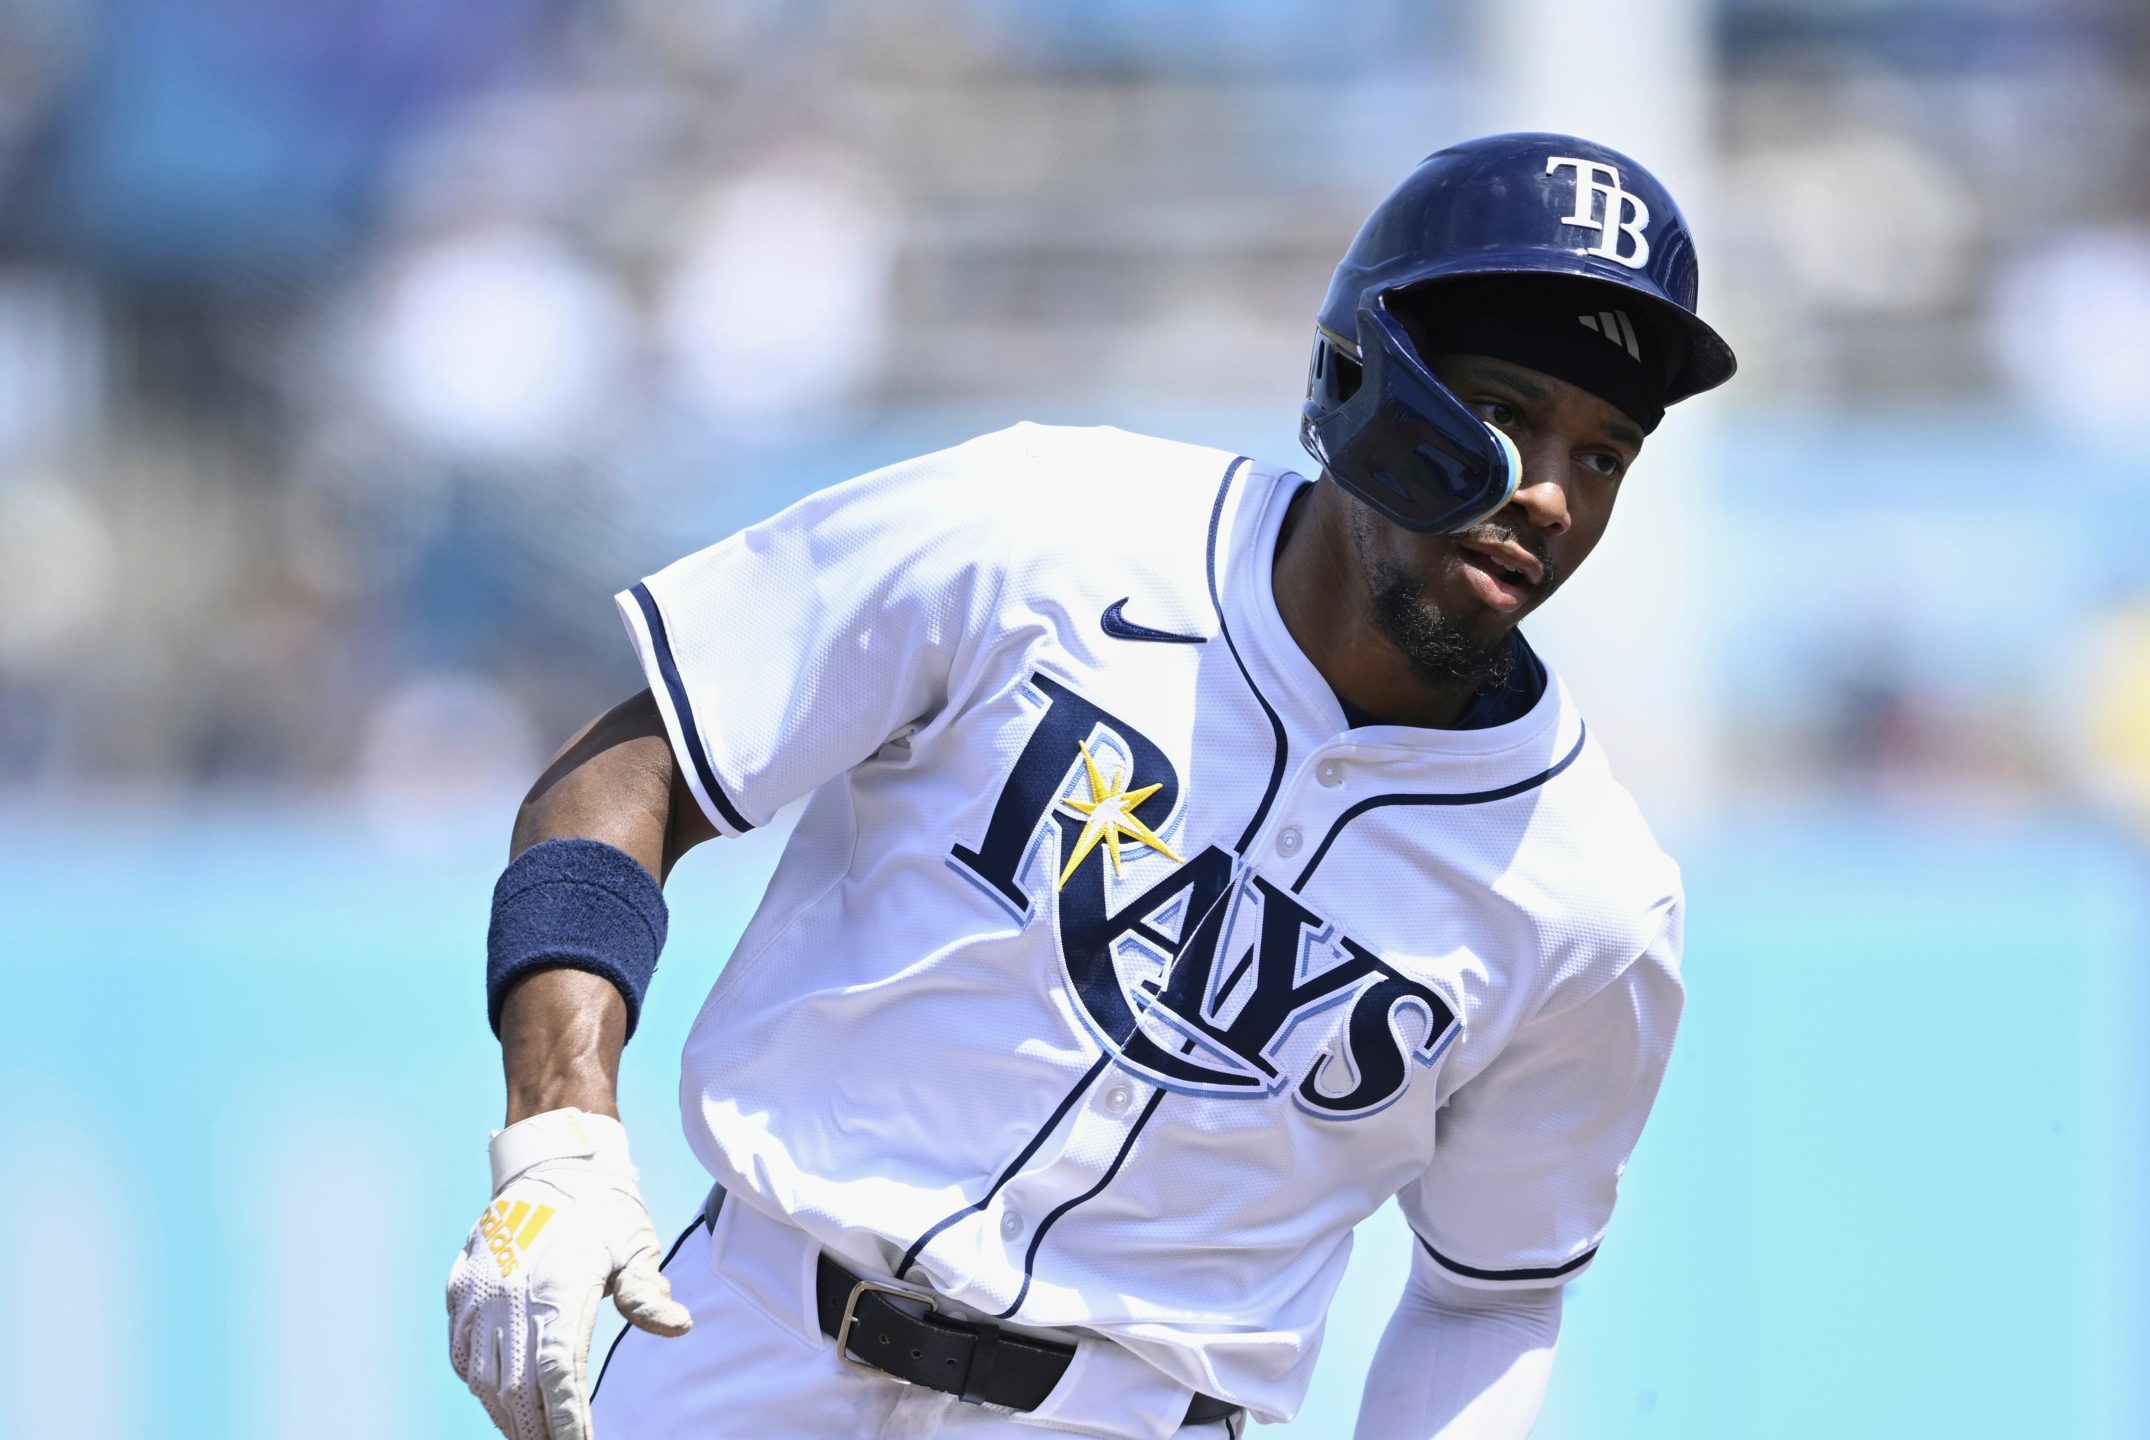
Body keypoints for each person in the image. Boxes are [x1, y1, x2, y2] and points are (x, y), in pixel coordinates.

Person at [445, 132, 1738, 1440]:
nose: (1553, 496)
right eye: (1507, 413)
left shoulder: (1586, 891)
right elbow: (638, 765)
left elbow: (1491, 1298)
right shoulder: (1042, 530)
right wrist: (557, 1136)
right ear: (1366, 379)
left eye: (1606, 454)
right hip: (744, 1346)